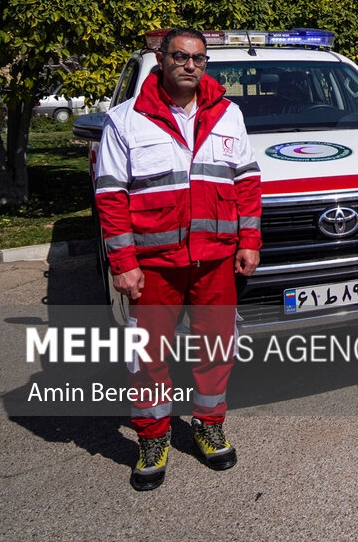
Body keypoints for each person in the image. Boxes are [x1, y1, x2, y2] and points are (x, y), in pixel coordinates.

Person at [94, 28, 262, 491]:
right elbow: (110, 195)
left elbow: (247, 182)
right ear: (161, 60)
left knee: (216, 349)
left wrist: (250, 240)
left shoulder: (229, 114)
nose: (190, 65)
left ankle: (208, 425)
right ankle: (152, 436)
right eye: (181, 57)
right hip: (152, 265)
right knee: (147, 356)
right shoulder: (126, 120)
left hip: (215, 261)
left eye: (199, 58)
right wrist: (123, 263)